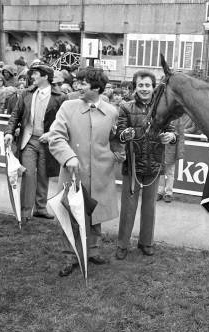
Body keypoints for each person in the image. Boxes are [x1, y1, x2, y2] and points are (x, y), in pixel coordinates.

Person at [48, 67, 122, 276]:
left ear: (97, 87)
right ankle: (70, 256)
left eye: (82, 83)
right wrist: (68, 156)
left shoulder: (111, 111)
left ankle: (93, 251)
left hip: (101, 174)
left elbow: (116, 140)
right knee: (70, 214)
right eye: (77, 82)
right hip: (74, 174)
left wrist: (117, 155)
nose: (77, 86)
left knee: (95, 213)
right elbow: (56, 137)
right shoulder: (68, 107)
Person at [114, 70, 177, 260]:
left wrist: (171, 137)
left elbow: (173, 132)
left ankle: (146, 242)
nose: (144, 88)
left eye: (147, 85)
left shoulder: (163, 109)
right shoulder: (125, 107)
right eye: (140, 85)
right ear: (135, 87)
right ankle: (123, 244)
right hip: (132, 165)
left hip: (154, 165)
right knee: (128, 208)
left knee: (149, 207)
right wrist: (125, 135)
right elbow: (120, 132)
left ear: (153, 87)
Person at [4, 64, 67, 223]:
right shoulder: (26, 93)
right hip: (28, 141)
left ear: (45, 77)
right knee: (28, 173)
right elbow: (15, 115)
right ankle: (25, 211)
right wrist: (9, 132)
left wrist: (52, 134)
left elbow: (64, 121)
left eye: (36, 74)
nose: (32, 77)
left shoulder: (60, 97)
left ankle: (40, 208)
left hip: (47, 142)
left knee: (43, 175)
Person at [158, 117, 185, 203]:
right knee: (160, 171)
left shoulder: (178, 117)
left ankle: (168, 193)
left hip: (171, 149)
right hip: (159, 148)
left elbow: (180, 135)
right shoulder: (162, 114)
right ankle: (160, 191)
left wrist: (179, 152)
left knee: (170, 172)